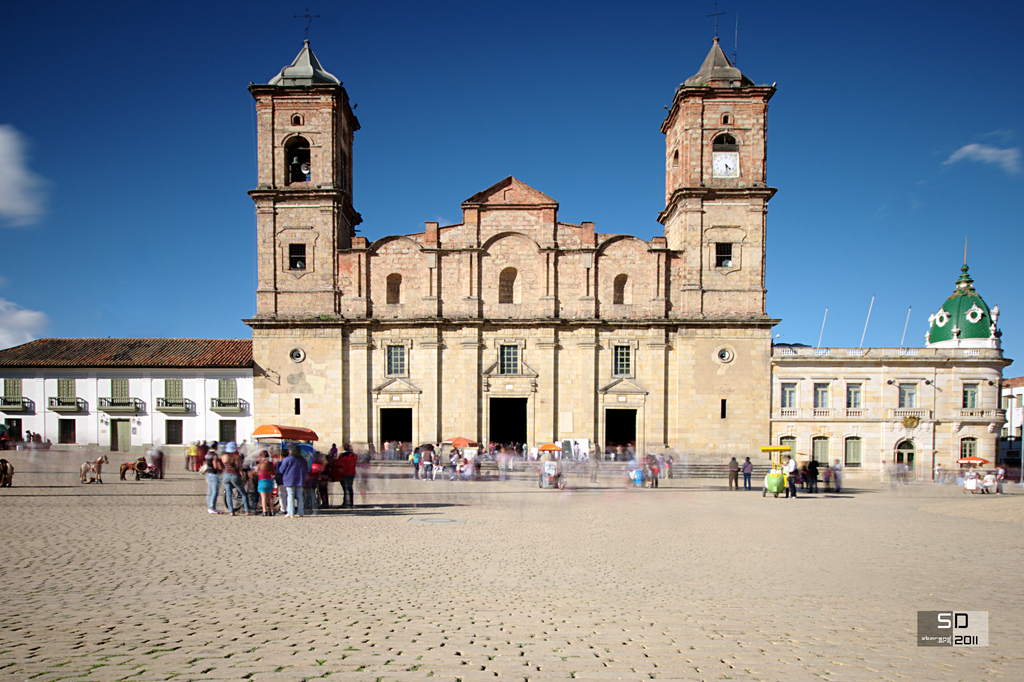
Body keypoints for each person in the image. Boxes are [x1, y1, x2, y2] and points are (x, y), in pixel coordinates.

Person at [276, 445, 308, 517]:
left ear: (291, 451)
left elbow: (281, 470)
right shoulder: (303, 460)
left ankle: (291, 512)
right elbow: (306, 469)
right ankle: (301, 512)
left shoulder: (288, 459)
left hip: (289, 479)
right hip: (300, 479)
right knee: (300, 496)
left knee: (290, 495)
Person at [221, 442, 251, 516]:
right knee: (243, 493)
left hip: (226, 476)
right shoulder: (237, 457)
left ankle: (231, 511)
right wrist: (243, 477)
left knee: (228, 494)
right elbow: (240, 469)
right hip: (235, 476)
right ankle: (247, 510)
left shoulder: (223, 457)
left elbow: (224, 467)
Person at [255, 451, 275, 516]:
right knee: (270, 497)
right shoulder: (270, 464)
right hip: (269, 480)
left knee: (263, 497)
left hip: (262, 481)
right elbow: (273, 472)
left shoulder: (260, 464)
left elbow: (256, 472)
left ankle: (265, 511)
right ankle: (272, 511)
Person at [205, 446, 223, 514]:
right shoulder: (214, 455)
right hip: (214, 474)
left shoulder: (207, 454)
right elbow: (215, 465)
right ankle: (212, 507)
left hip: (208, 473)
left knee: (210, 491)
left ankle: (209, 505)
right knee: (215, 491)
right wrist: (221, 469)